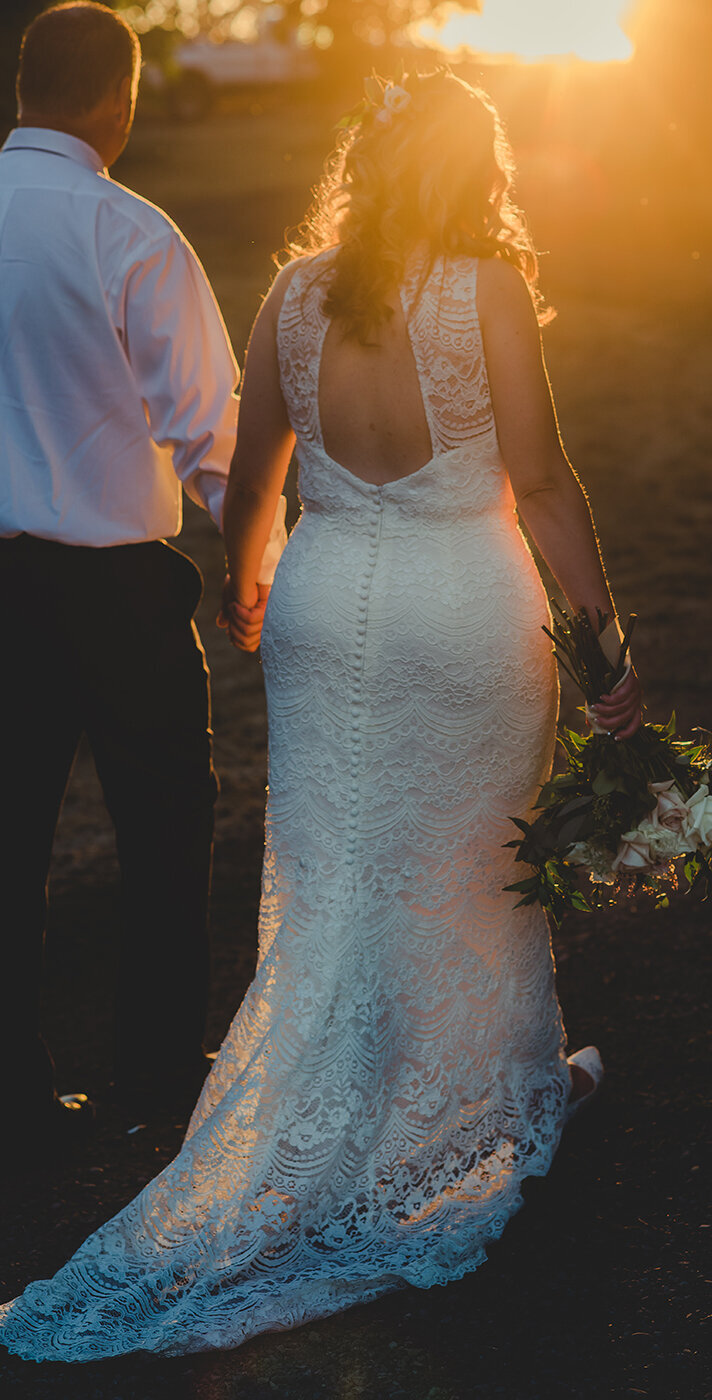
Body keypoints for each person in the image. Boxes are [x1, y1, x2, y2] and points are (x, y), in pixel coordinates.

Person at [0, 68, 641, 1360]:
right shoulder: (488, 293)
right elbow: (544, 483)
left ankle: (363, 1100)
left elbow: (252, 481)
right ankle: (492, 1105)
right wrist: (606, 646)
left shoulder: (294, 296)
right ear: (474, 175)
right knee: (467, 862)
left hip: (328, 600)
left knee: (340, 869)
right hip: (462, 605)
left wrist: (245, 588)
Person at [0, 0, 284, 1146]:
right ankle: (155, 1082)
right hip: (118, 594)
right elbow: (214, 434)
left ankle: (11, 1096)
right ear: (119, 100)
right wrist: (251, 568)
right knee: (164, 830)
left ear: (25, 87)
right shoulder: (129, 232)